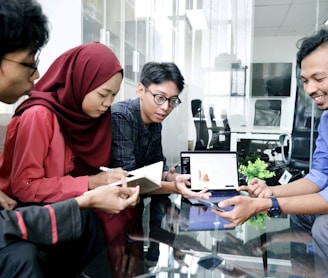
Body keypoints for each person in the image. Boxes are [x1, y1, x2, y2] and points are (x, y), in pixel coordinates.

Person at [0, 1, 139, 277]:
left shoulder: (76, 117)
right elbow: (25, 186)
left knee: (97, 222)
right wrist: (92, 186)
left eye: (112, 97)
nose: (107, 104)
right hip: (28, 205)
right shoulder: (40, 115)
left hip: (38, 203)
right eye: (102, 95)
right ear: (80, 82)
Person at [213, 27, 328, 277]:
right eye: (305, 81)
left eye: (319, 79)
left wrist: (266, 204)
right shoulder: (326, 119)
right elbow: (320, 176)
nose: (309, 90)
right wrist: (271, 190)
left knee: (323, 226)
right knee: (304, 215)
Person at [109, 62, 211, 273]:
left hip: (136, 210)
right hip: (114, 212)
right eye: (160, 98)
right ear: (140, 90)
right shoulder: (122, 117)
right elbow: (128, 180)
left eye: (173, 101)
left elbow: (156, 164)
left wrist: (169, 177)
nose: (166, 107)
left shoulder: (155, 123)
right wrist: (173, 187)